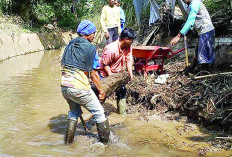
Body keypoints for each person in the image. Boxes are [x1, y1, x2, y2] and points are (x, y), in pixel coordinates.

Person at [61, 20, 110, 145]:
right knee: (99, 113)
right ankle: (106, 145)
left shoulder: (70, 45)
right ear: (88, 34)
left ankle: (68, 144)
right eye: (93, 33)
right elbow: (93, 73)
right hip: (78, 87)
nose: (94, 36)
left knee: (73, 112)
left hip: (65, 86)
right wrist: (101, 91)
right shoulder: (90, 48)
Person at [170, 0, 215, 74]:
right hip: (205, 31)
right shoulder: (193, 3)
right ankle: (191, 69)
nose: (184, 1)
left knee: (203, 56)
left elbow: (190, 21)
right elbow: (192, 20)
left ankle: (204, 74)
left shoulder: (194, 4)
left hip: (206, 31)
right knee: (199, 53)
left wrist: (179, 35)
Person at [99, 28, 136, 114]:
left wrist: (130, 74)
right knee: (102, 94)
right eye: (131, 40)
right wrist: (111, 77)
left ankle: (122, 113)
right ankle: (98, 115)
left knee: (122, 91)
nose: (132, 42)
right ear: (126, 39)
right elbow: (105, 64)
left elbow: (128, 60)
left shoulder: (128, 47)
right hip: (105, 74)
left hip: (117, 73)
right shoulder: (111, 49)